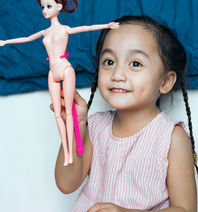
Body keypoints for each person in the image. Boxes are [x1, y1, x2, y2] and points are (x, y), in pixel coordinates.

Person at [0, 15, 198, 212]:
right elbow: (66, 183)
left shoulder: (171, 136)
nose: (117, 74)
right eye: (109, 62)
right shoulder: (95, 126)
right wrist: (73, 125)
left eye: (135, 64)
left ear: (165, 82)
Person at [0, 0, 119, 166]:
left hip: (65, 69)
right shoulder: (44, 32)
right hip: (52, 72)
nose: (44, 10)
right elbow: (27, 38)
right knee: (58, 114)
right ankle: (67, 152)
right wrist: (6, 42)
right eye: (42, 7)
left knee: (69, 112)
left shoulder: (65, 30)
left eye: (48, 6)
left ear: (59, 7)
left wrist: (107, 25)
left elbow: (86, 28)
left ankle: (71, 152)